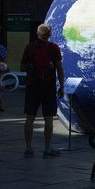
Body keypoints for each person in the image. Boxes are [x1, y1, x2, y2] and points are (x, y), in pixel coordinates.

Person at [20, 24, 64, 158]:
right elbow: (59, 69)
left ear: (37, 33)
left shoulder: (30, 47)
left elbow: (22, 67)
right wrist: (61, 86)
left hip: (32, 86)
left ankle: (28, 148)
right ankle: (47, 148)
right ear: (50, 34)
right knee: (48, 118)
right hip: (48, 87)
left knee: (30, 118)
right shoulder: (53, 48)